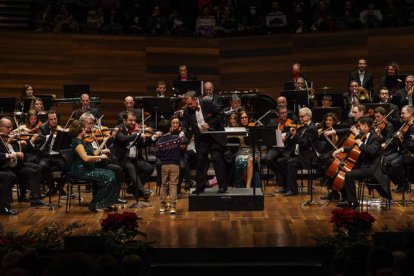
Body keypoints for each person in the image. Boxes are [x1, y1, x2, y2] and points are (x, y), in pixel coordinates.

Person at [332, 116, 391, 209]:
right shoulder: (365, 136)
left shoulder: (375, 137)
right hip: (364, 165)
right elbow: (356, 148)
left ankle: (353, 202)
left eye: (360, 126)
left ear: (366, 126)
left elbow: (371, 151)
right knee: (341, 169)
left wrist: (360, 143)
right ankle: (345, 198)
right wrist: (342, 149)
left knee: (349, 175)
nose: (359, 128)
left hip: (372, 168)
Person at [181, 90, 227, 194]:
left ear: (196, 100)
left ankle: (222, 187)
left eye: (189, 103)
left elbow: (221, 114)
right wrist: (183, 132)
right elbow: (185, 123)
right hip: (201, 138)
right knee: (200, 161)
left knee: (216, 158)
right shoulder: (187, 110)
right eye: (187, 104)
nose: (188, 106)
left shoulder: (207, 103)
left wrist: (210, 125)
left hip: (214, 136)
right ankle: (200, 187)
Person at [68, 120, 118, 212]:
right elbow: (86, 158)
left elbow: (94, 152)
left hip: (88, 169)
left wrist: (104, 141)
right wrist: (100, 157)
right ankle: (96, 204)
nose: (85, 130)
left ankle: (105, 203)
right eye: (84, 128)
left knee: (111, 174)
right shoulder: (77, 143)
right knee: (109, 177)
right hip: (81, 171)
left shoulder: (81, 141)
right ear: (80, 130)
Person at [79, 112, 127, 204]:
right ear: (82, 123)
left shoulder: (94, 134)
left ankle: (113, 196)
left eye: (93, 123)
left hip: (99, 162)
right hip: (90, 165)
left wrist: (112, 137)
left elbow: (101, 147)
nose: (92, 125)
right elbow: (88, 153)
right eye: (89, 123)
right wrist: (101, 152)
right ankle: (109, 197)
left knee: (116, 164)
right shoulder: (81, 137)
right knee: (116, 169)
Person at [0, 117, 47, 207]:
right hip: (9, 166)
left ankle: (33, 197)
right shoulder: (3, 138)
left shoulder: (8, 137)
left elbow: (21, 151)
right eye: (8, 127)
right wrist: (9, 142)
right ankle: (35, 199)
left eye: (11, 127)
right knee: (32, 171)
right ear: (1, 126)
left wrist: (18, 142)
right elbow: (4, 154)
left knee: (37, 167)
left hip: (17, 163)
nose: (10, 130)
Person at [276, 107, 319, 196]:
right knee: (280, 161)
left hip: (308, 157)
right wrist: (288, 137)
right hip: (299, 155)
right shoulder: (302, 126)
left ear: (308, 116)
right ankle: (286, 186)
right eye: (299, 117)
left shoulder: (312, 128)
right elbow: (295, 141)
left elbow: (305, 144)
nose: (300, 119)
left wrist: (295, 134)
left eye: (302, 116)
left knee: (291, 162)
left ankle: (293, 189)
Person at [112, 111, 153, 200]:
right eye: (130, 120)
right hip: (122, 159)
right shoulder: (119, 129)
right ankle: (141, 190)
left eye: (134, 121)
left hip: (135, 159)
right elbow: (123, 139)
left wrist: (152, 138)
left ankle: (133, 188)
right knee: (130, 167)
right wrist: (136, 135)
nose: (133, 123)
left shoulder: (135, 130)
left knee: (149, 168)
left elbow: (142, 145)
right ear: (124, 120)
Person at [155, 119, 188, 215]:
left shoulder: (159, 141)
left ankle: (162, 206)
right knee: (173, 185)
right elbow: (185, 141)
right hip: (174, 165)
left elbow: (157, 154)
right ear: (170, 128)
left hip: (164, 165)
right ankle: (173, 207)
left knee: (164, 185)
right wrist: (182, 135)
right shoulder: (175, 138)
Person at [383, 105, 414, 193]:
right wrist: (398, 139)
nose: (401, 115)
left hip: (411, 154)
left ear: (410, 113)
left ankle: (403, 185)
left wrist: (401, 139)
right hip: (404, 152)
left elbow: (411, 146)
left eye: (403, 113)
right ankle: (400, 183)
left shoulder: (413, 127)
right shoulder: (405, 124)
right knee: (385, 161)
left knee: (394, 163)